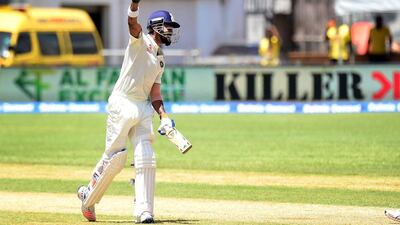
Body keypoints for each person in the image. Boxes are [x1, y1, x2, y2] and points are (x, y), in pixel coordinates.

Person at [76, 0, 180, 223]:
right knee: (116, 159)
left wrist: (164, 117)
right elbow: (132, 23)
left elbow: (155, 94)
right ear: (158, 26)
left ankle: (144, 211)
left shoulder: (160, 59)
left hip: (143, 107)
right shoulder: (140, 42)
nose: (171, 31)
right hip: (122, 103)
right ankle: (88, 198)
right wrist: (134, 3)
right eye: (169, 27)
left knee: (146, 157)